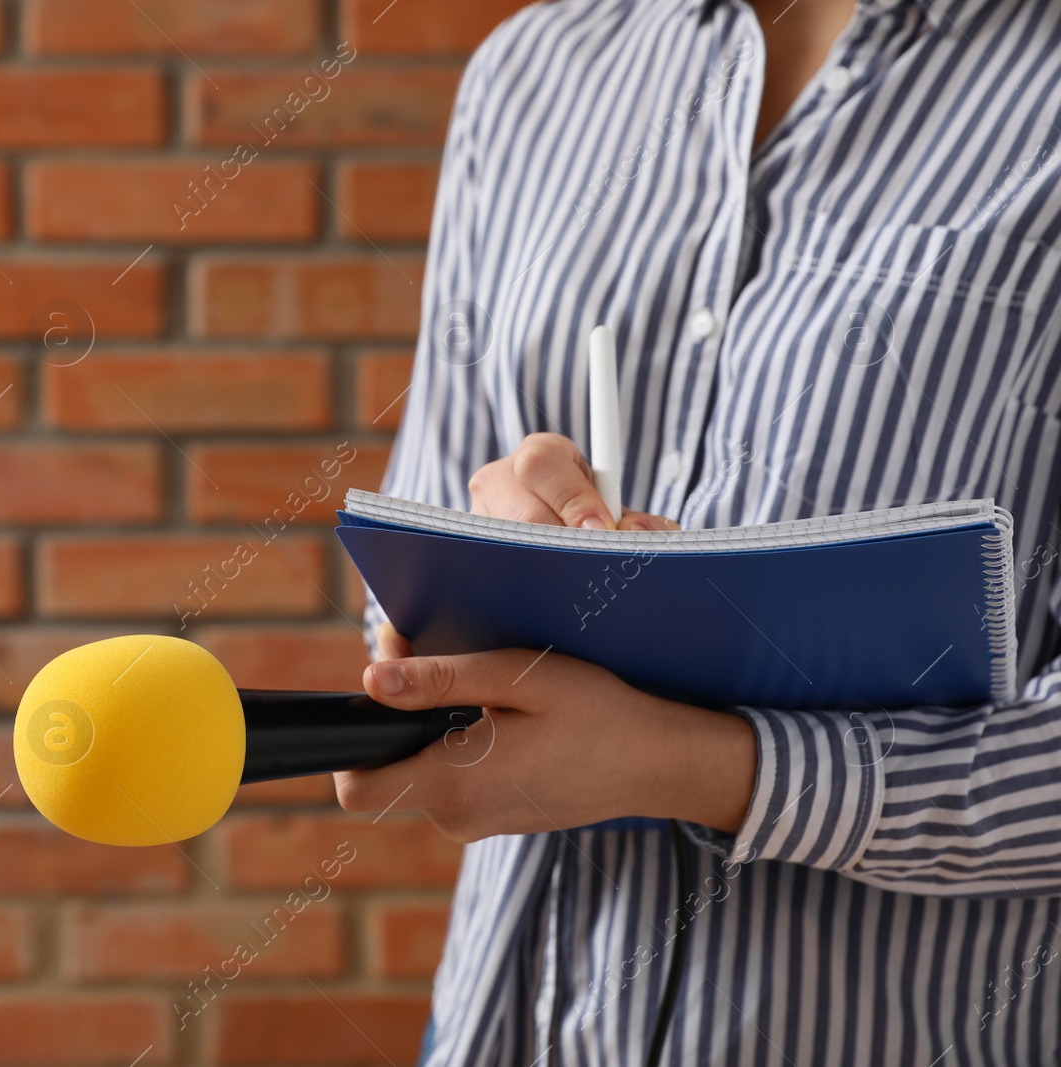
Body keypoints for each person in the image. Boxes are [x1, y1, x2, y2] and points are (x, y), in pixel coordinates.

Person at [336, 0, 1061, 1062]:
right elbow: (405, 569)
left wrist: (708, 766)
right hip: (511, 1021)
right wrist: (470, 598)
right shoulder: (532, 70)